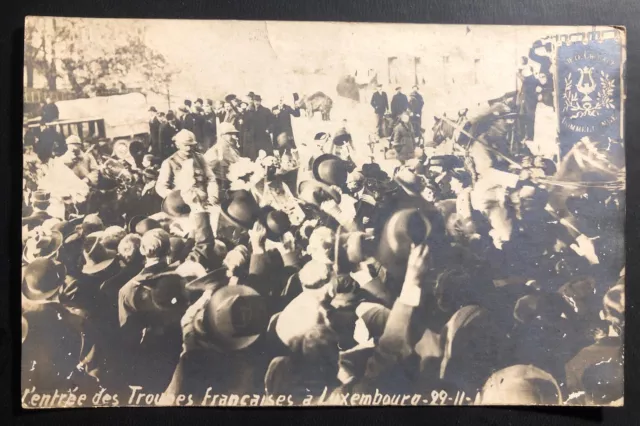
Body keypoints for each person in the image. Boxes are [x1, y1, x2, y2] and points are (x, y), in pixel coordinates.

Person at [156, 129, 219, 207]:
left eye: (191, 145)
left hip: (205, 202)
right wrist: (175, 198)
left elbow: (211, 179)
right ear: (177, 145)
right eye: (185, 145)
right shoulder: (169, 162)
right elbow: (161, 187)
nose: (189, 148)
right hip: (183, 205)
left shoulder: (200, 158)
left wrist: (213, 198)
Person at [244, 95, 274, 160]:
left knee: (267, 155)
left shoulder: (266, 111)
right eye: (255, 101)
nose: (257, 103)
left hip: (264, 136)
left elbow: (272, 123)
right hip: (253, 137)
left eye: (258, 101)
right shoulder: (250, 111)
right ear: (253, 102)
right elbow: (246, 123)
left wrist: (268, 130)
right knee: (253, 155)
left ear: (260, 101)